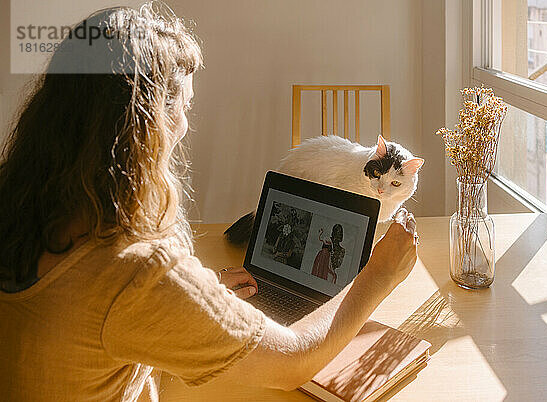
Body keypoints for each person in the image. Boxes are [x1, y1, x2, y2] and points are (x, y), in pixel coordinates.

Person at [0, 3, 419, 401]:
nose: (185, 125)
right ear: (148, 129)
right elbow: (293, 361)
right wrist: (379, 273)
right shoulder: (137, 272)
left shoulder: (18, 210)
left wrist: (196, 304)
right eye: (186, 107)